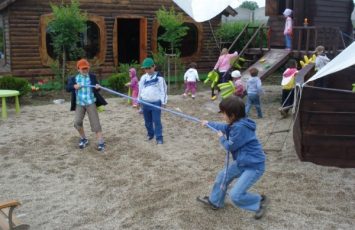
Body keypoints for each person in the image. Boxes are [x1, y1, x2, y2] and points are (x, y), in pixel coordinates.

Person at [197, 96, 267, 219]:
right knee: (222, 176)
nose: (222, 116)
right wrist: (209, 123)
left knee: (236, 195)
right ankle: (215, 201)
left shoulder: (240, 127)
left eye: (224, 114)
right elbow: (225, 127)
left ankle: (258, 202)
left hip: (253, 165)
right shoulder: (236, 123)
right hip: (242, 161)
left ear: (233, 115)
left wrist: (221, 138)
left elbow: (230, 146)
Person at [66, 58, 107, 151]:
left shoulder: (92, 76)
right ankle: (84, 139)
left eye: (86, 68)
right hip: (79, 103)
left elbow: (97, 87)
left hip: (90, 102)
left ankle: (101, 142)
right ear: (78, 69)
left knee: (95, 123)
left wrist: (97, 87)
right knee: (77, 122)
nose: (85, 70)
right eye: (83, 68)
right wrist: (74, 86)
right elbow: (67, 88)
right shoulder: (74, 79)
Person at [138, 57, 167, 145]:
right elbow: (140, 89)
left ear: (154, 66)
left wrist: (163, 102)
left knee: (156, 121)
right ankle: (150, 134)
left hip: (156, 103)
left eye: (149, 68)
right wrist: (139, 100)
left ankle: (159, 138)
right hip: (145, 102)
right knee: (147, 122)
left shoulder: (159, 78)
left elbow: (164, 90)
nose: (147, 70)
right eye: (145, 69)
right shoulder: (143, 78)